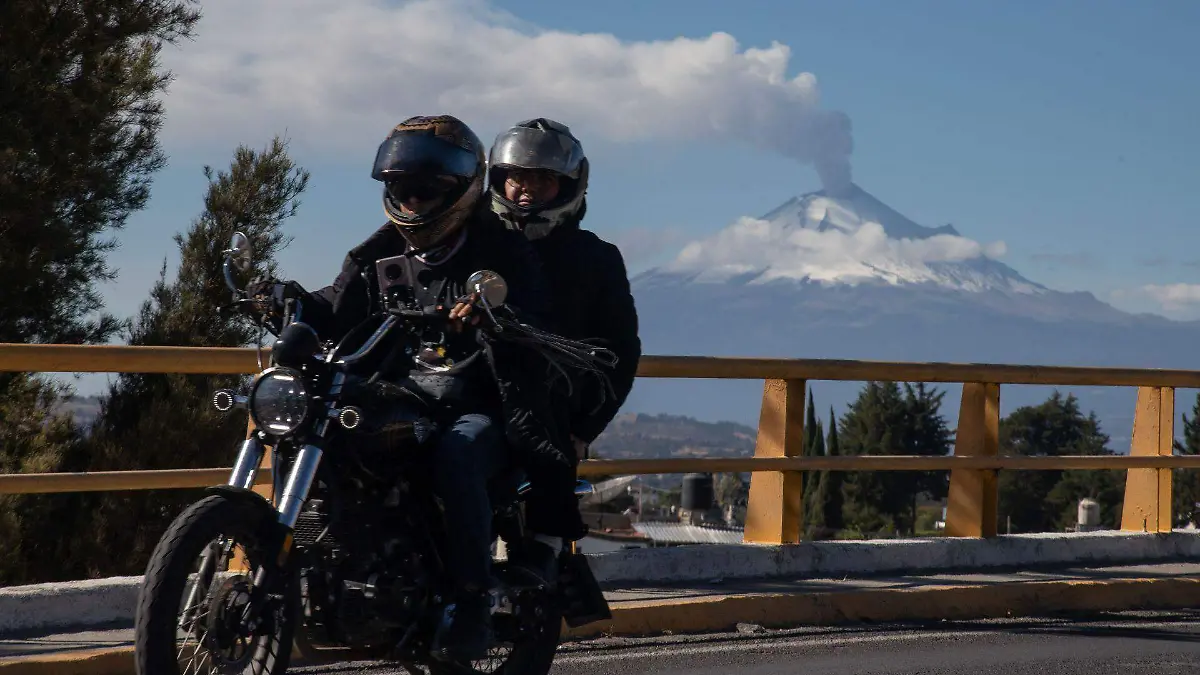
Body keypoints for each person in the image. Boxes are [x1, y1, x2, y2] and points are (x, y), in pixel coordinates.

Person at [247, 115, 573, 663]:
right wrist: (287, 301)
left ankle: (471, 599)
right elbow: (336, 303)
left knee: (458, 451)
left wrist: (494, 315)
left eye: (428, 191)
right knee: (314, 428)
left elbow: (534, 311)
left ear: (461, 191)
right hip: (396, 393)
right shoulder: (378, 251)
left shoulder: (504, 251)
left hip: (480, 400)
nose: (415, 202)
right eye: (404, 189)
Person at [486, 118, 642, 577]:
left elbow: (620, 349)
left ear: (568, 185)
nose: (527, 189)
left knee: (546, 492)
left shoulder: (595, 258)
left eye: (543, 178)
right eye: (517, 177)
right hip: (469, 389)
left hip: (548, 405)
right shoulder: (474, 243)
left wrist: (586, 427)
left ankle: (544, 567)